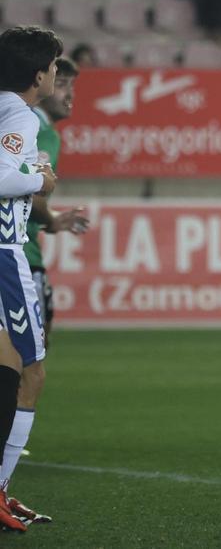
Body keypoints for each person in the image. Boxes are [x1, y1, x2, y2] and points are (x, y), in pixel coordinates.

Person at [0, 26, 62, 530]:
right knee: (31, 373)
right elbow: (1, 177)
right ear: (38, 73)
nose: (57, 75)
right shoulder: (19, 113)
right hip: (4, 255)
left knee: (8, 370)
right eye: (56, 66)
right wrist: (39, 179)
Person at [23, 57, 88, 349]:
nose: (70, 95)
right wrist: (50, 219)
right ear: (41, 82)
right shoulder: (42, 131)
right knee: (32, 353)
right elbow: (32, 194)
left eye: (72, 86)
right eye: (61, 85)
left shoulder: (13, 121)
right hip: (21, 255)